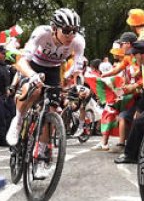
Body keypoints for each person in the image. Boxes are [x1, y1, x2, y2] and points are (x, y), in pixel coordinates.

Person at [8, 8, 86, 146]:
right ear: (54, 28)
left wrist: (79, 86)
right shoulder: (42, 33)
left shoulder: (78, 41)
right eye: (67, 30)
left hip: (54, 70)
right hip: (34, 65)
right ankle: (18, 121)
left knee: (52, 110)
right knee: (33, 90)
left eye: (75, 30)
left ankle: (43, 152)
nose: (71, 35)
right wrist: (32, 75)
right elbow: (21, 61)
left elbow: (77, 70)